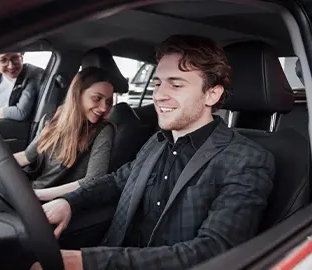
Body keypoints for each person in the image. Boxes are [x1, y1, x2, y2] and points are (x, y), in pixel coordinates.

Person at [31, 35, 275, 270]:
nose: (158, 95)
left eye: (176, 84)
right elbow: (117, 181)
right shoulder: (157, 142)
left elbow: (214, 251)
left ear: (212, 93)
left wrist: (91, 262)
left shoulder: (246, 159)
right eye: (158, 83)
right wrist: (68, 202)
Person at [0, 67, 115, 195]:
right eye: (97, 98)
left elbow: (93, 180)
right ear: (77, 94)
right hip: (26, 187)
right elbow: (27, 156)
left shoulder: (102, 131)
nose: (103, 107)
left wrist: (37, 195)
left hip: (42, 197)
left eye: (107, 101)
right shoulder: (54, 120)